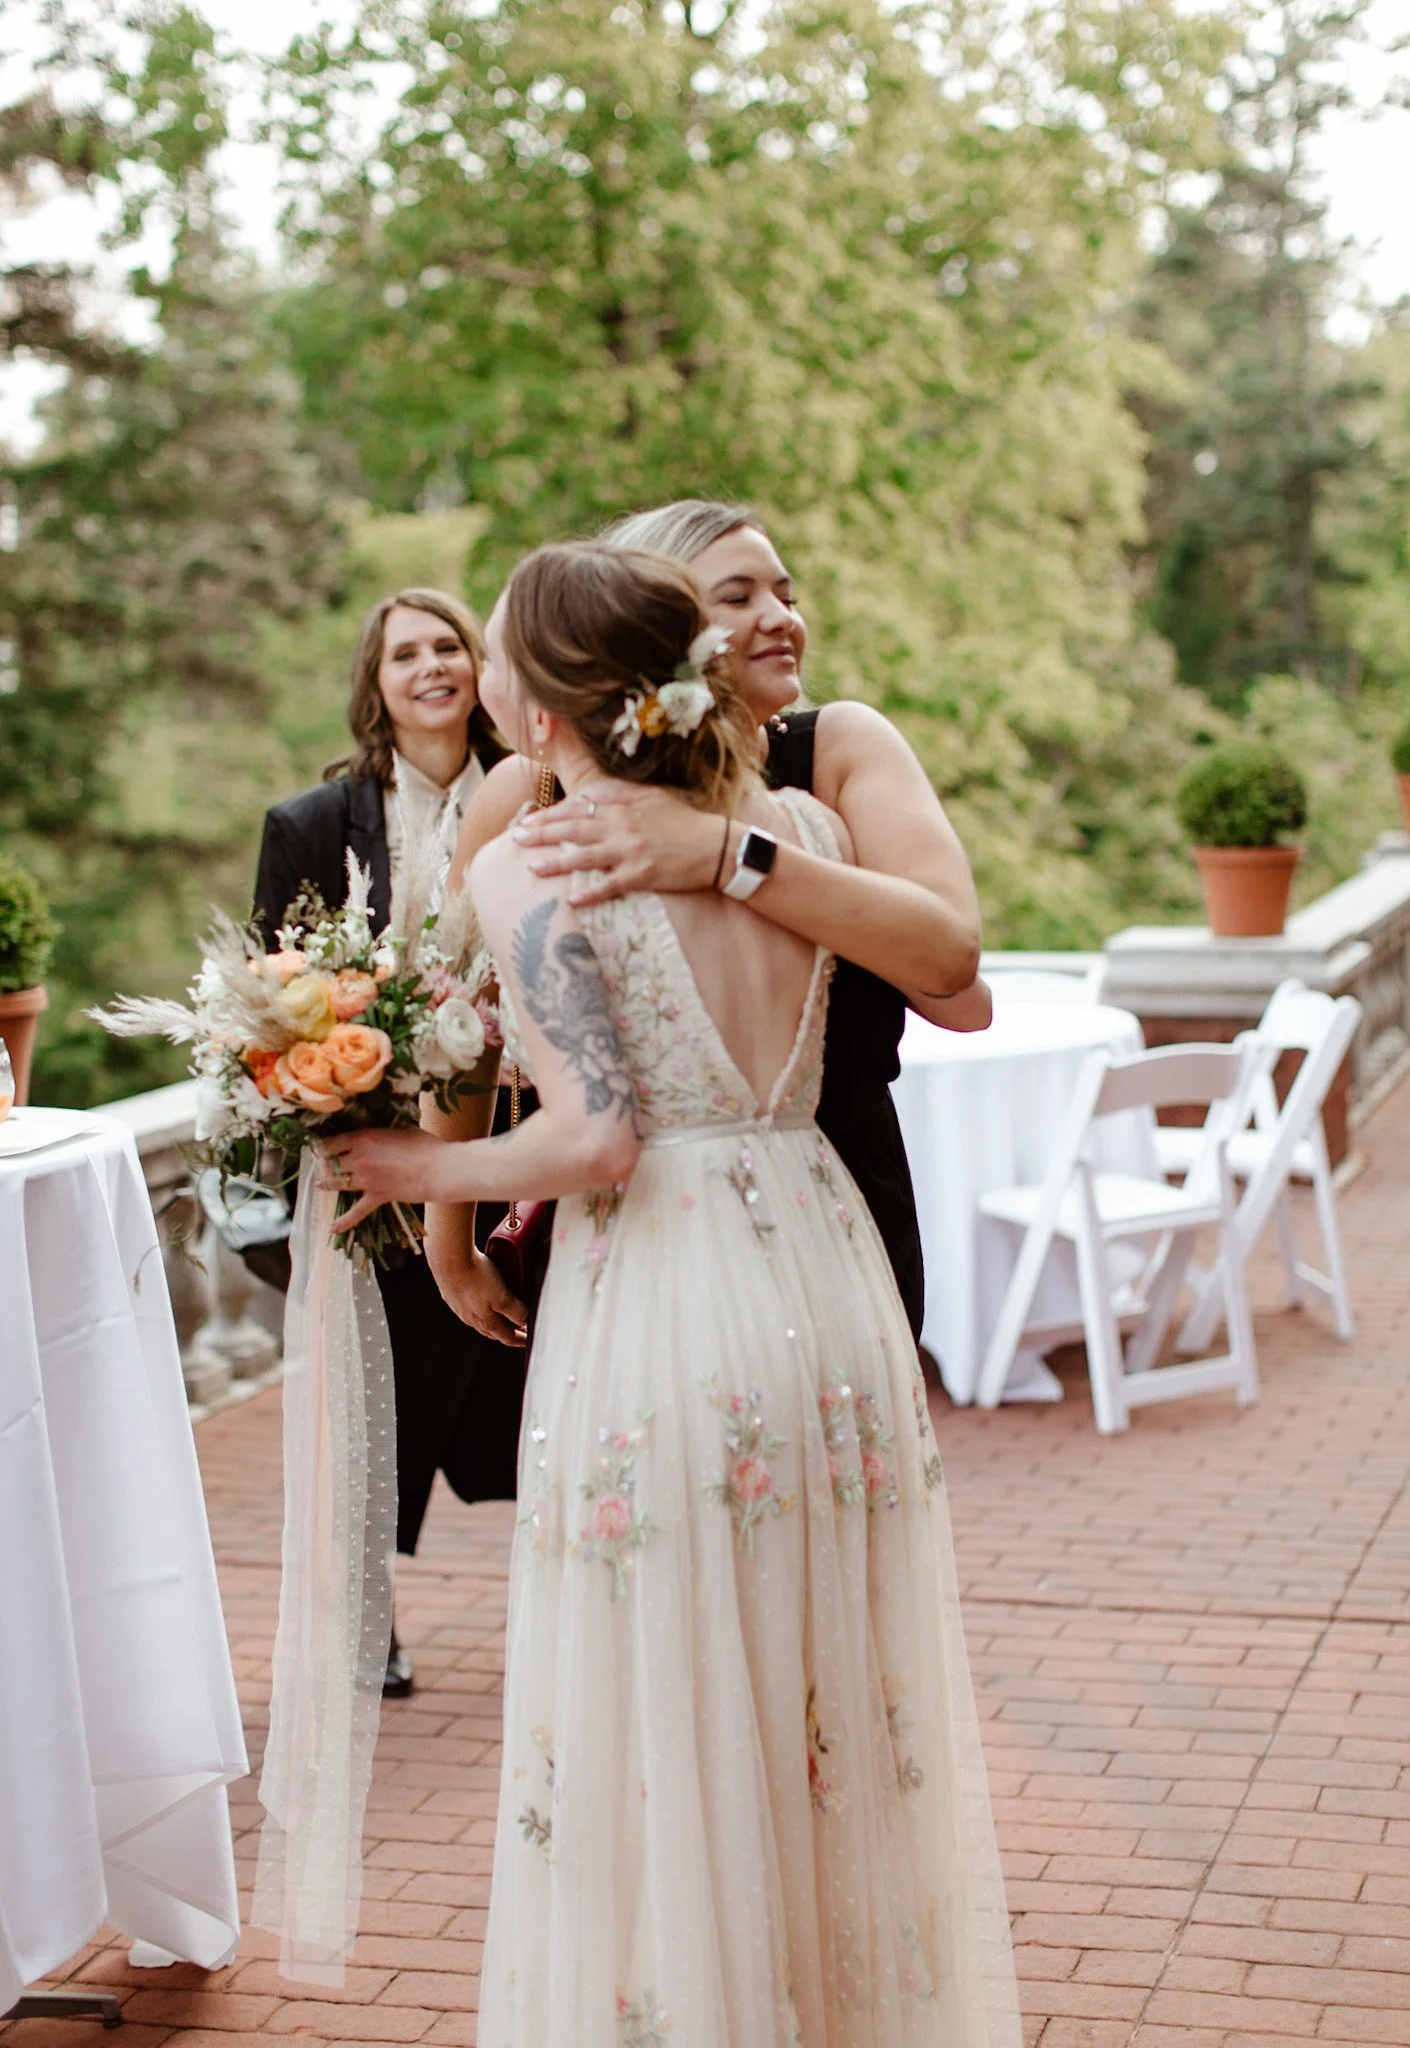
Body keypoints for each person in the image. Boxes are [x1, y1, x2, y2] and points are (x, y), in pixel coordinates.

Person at [325, 542, 1020, 2045]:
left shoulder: (535, 859)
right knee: (830, 1684)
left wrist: (407, 1170)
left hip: (660, 1292)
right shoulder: (800, 819)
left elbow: (591, 1139)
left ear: (553, 703)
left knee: (671, 1692)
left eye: (501, 661)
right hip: (821, 1264)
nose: (486, 686)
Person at [444, 501, 989, 1348]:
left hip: (835, 1190)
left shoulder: (838, 750)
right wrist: (452, 1245)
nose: (781, 618)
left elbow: (957, 984)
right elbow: (463, 1024)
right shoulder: (532, 790)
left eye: (786, 593)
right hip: (616, 1227)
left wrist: (726, 851)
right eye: (736, 598)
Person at [252, 587, 528, 1696]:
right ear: (376, 683)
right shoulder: (313, 826)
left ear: (479, 666)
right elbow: (274, 1009)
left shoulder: (541, 791)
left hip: (522, 1139)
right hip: (377, 1156)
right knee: (369, 1405)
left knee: (532, 1368)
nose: (430, 666)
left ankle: (577, 1600)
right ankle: (369, 1618)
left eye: (448, 645)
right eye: (404, 652)